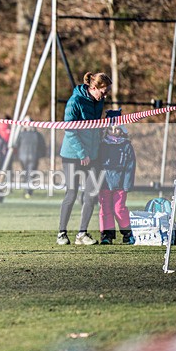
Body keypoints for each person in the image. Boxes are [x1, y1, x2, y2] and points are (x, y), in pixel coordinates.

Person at [57, 71, 111, 245]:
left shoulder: (99, 101)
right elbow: (70, 130)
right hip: (73, 155)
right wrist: (82, 154)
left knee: (90, 195)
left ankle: (82, 234)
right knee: (71, 193)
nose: (105, 95)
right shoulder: (75, 102)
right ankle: (62, 234)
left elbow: (93, 127)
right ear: (93, 88)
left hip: (92, 156)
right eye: (103, 92)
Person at [97, 109, 136, 245]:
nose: (114, 131)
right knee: (105, 210)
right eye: (111, 128)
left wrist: (127, 185)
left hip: (120, 185)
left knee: (119, 209)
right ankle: (107, 235)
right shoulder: (102, 145)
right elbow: (98, 165)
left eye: (117, 128)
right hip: (104, 184)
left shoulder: (126, 146)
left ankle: (127, 233)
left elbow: (130, 167)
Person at [14, 118, 46, 198]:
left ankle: (27, 190)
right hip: (33, 157)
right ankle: (28, 191)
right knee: (31, 174)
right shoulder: (37, 134)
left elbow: (16, 144)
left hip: (23, 157)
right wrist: (41, 155)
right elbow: (42, 146)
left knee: (26, 174)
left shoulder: (21, 134)